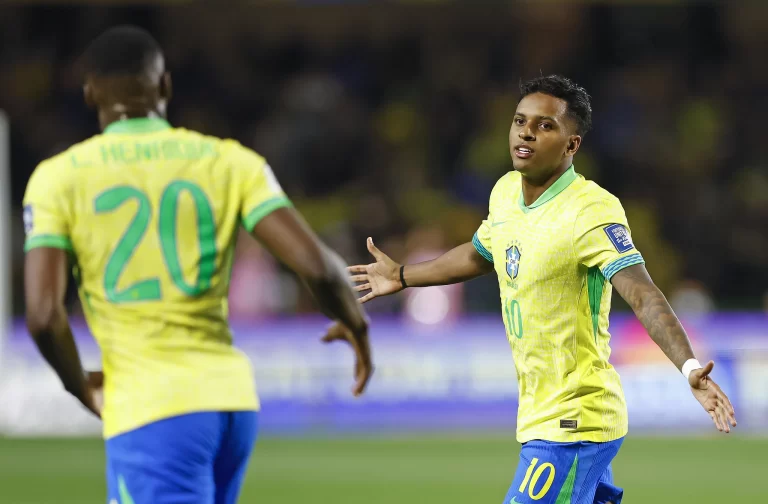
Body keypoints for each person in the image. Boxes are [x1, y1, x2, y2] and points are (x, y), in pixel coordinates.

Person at [22, 25, 372, 504]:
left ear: (88, 93)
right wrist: (357, 324)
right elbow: (318, 267)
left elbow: (43, 315)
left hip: (152, 407)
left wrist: (80, 387)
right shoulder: (230, 161)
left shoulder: (57, 178)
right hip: (231, 403)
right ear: (164, 86)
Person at [349, 75, 736, 504]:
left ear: (572, 144)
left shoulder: (590, 209)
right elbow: (481, 253)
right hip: (541, 413)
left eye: (545, 125)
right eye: (520, 121)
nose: (527, 132)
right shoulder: (505, 193)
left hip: (573, 421)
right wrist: (402, 275)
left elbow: (643, 294)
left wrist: (688, 368)